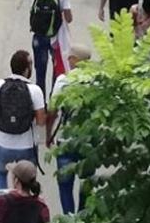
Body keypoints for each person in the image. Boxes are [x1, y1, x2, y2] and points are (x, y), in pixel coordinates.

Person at [0, 51, 47, 190]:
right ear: (27, 69)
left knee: (0, 174)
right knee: (25, 182)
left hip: (3, 142)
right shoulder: (34, 90)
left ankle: (1, 206)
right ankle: (21, 207)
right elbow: (40, 121)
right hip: (26, 145)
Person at [48, 46, 92, 214]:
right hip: (87, 141)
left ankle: (69, 216)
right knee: (86, 183)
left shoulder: (63, 81)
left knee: (65, 186)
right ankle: (82, 214)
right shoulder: (95, 81)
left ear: (75, 61)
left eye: (70, 57)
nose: (68, 60)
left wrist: (49, 134)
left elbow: (53, 110)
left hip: (66, 141)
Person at [24, 0, 72, 94]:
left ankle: (41, 104)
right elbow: (69, 19)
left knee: (40, 72)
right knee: (57, 71)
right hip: (55, 38)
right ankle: (53, 100)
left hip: (39, 36)